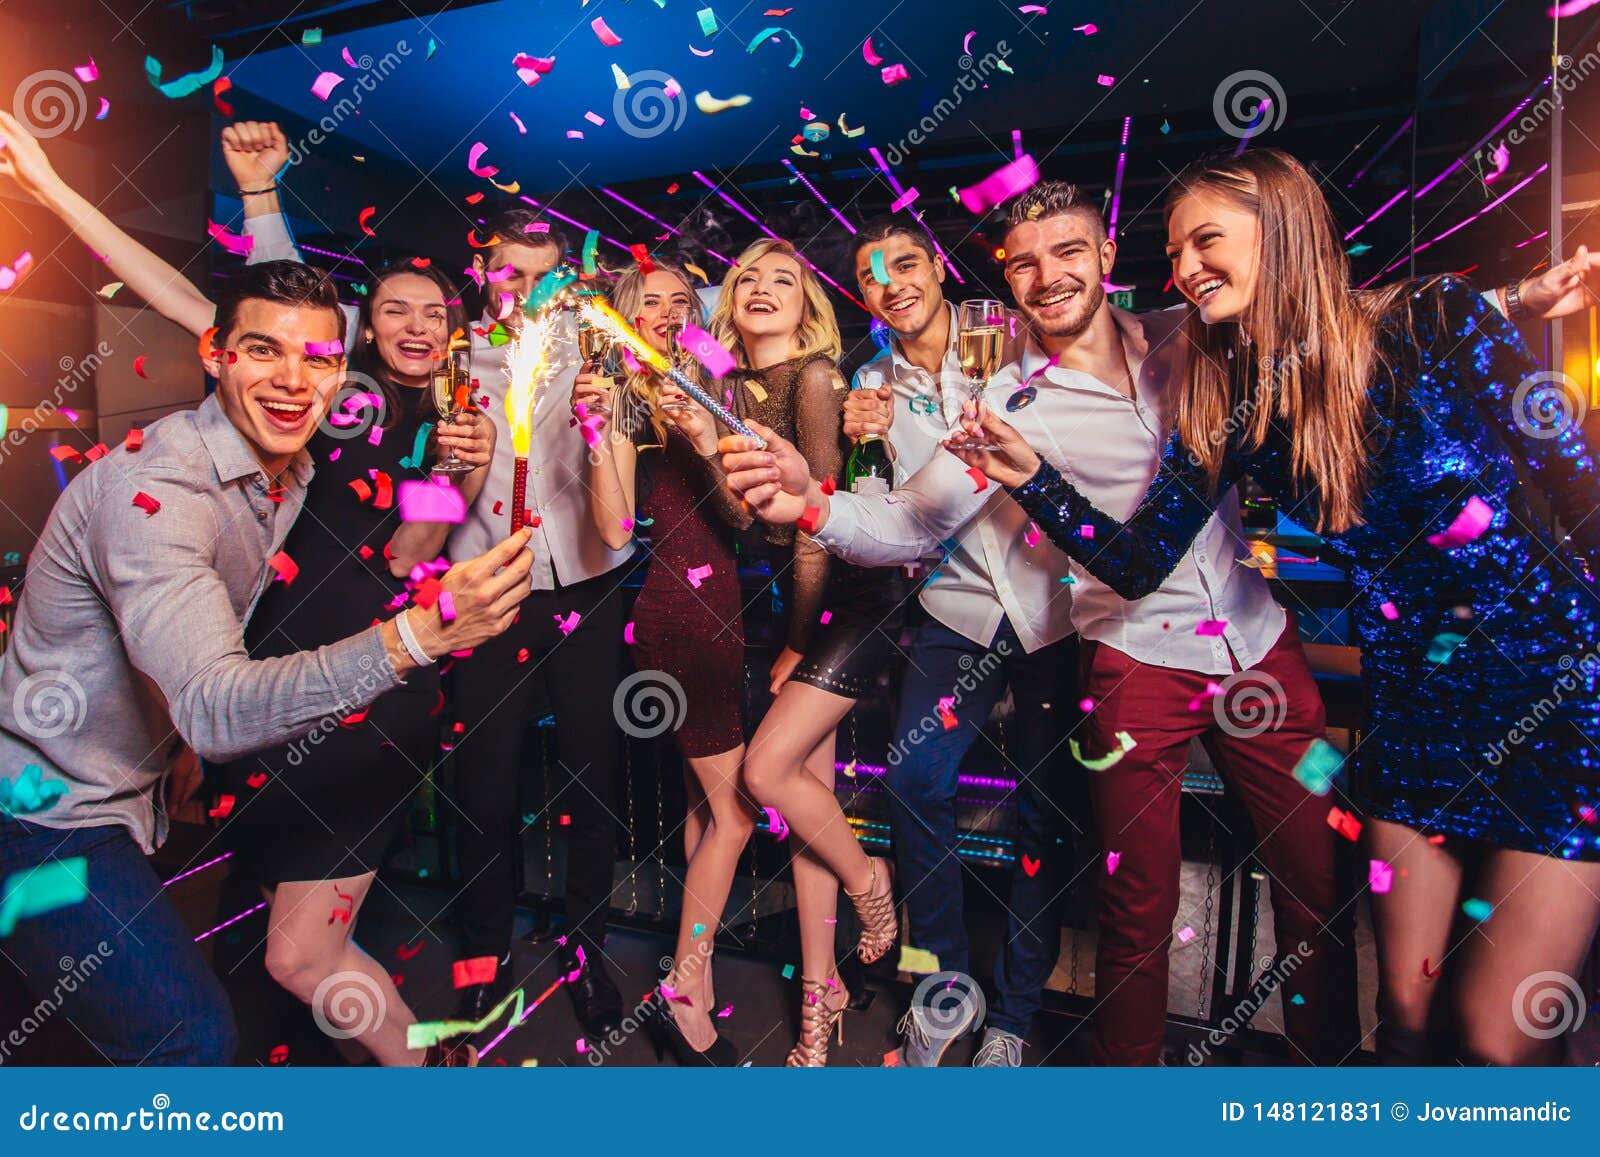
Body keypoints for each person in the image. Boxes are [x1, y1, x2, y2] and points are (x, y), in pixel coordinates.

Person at [947, 149, 1600, 1065]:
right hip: (1413, 706)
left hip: (1556, 690)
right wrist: (1034, 479)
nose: (1185, 269)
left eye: (1207, 239)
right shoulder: (1236, 403)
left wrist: (1525, 296)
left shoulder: (1435, 318)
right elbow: (1133, 563)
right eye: (1174, 253)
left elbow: (1583, 497)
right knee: (1407, 1015)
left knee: (1501, 1036)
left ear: (1281, 228)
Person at [0, 112, 529, 1067]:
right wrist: (58, 192)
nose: (416, 325)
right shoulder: (320, 398)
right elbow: (234, 300)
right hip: (247, 698)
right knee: (263, 962)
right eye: (396, 309)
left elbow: (411, 552)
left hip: (345, 702)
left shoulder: (433, 424)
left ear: (455, 333)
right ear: (365, 327)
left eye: (435, 314)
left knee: (282, 959)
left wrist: (460, 475)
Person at [231, 140, 635, 1040]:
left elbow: (617, 520)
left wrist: (609, 424)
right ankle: (485, 964)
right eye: (504, 275)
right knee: (482, 788)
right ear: (481, 280)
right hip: (479, 595)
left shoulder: (603, 360)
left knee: (591, 779)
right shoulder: (442, 362)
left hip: (588, 592)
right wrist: (261, 196)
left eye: (538, 278)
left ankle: (590, 952)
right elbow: (290, 307)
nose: (518, 292)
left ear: (563, 283)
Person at [824, 218, 1085, 1067]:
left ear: (936, 267)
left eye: (904, 261)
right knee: (913, 779)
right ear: (863, 297)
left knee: (1044, 814)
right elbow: (892, 515)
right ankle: (943, 995)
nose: (891, 282)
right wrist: (853, 441)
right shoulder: (868, 383)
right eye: (872, 275)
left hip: (1057, 605)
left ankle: (1010, 1018)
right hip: (956, 608)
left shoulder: (1023, 342)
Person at [709, 238, 905, 1065]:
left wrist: (799, 638)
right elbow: (739, 520)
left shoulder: (820, 378)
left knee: (765, 773)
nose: (760, 288)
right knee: (804, 804)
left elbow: (820, 520)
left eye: (781, 279)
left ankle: (872, 884)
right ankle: (820, 998)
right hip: (772, 604)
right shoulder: (723, 390)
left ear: (809, 306)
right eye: (746, 276)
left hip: (841, 607)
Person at [571, 261, 753, 1064]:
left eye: (686, 300)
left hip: (731, 606)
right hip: (682, 618)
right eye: (654, 301)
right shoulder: (612, 397)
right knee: (739, 809)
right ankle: (682, 992)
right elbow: (613, 530)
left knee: (705, 811)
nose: (673, 312)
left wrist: (712, 432)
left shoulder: (709, 382)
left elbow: (750, 509)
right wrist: (591, 434)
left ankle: (699, 980)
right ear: (623, 314)